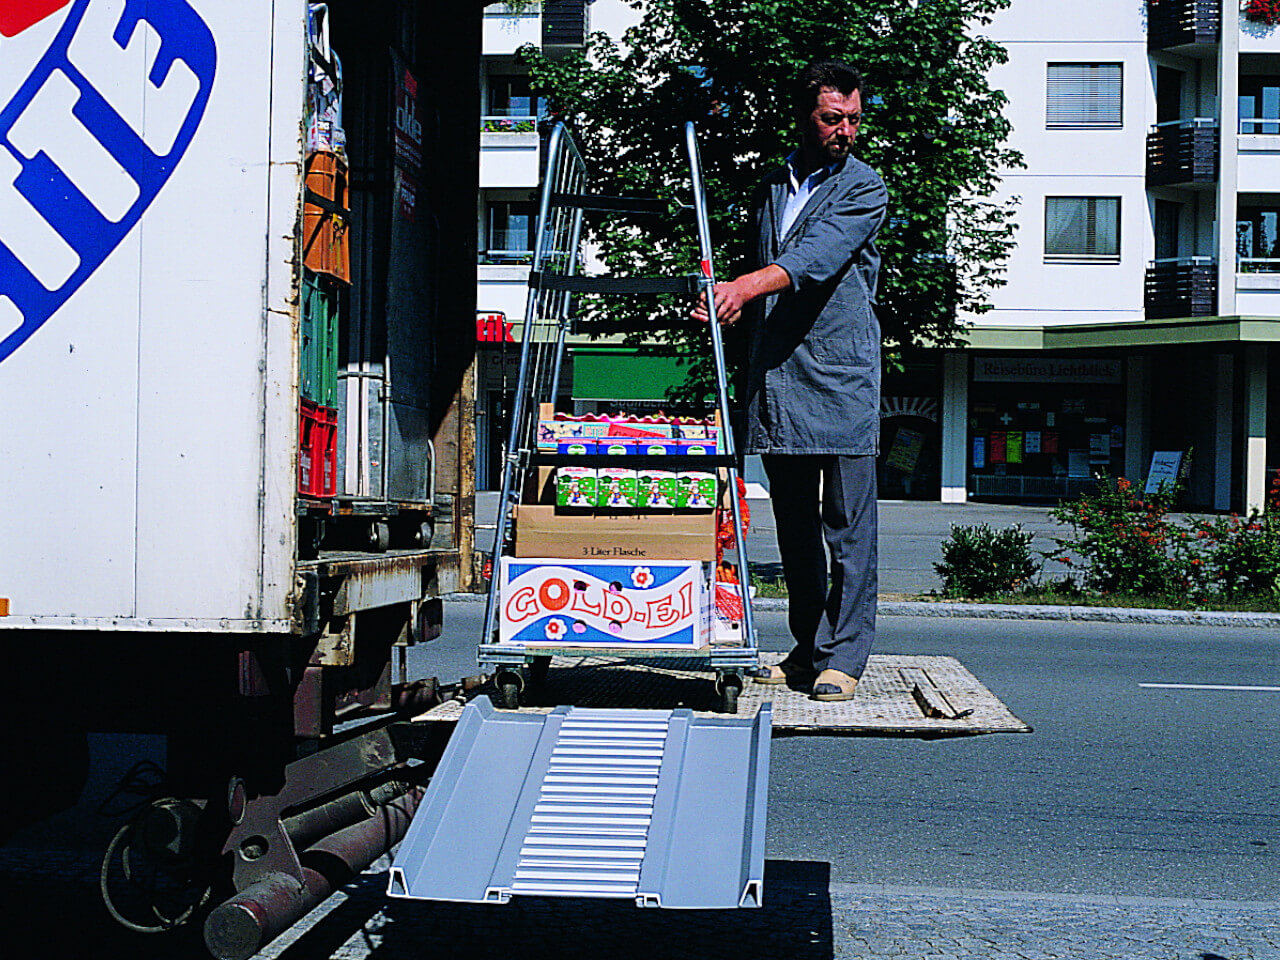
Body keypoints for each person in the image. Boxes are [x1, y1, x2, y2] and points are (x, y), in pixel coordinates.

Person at [692, 58, 887, 701]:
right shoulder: (774, 184)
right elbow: (763, 264)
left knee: (848, 528)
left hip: (843, 377)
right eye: (834, 118)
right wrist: (729, 301)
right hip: (780, 378)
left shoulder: (864, 188)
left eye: (854, 119)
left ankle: (846, 657)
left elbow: (814, 257)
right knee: (797, 529)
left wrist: (746, 285)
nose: (847, 130)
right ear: (805, 116)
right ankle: (808, 647)